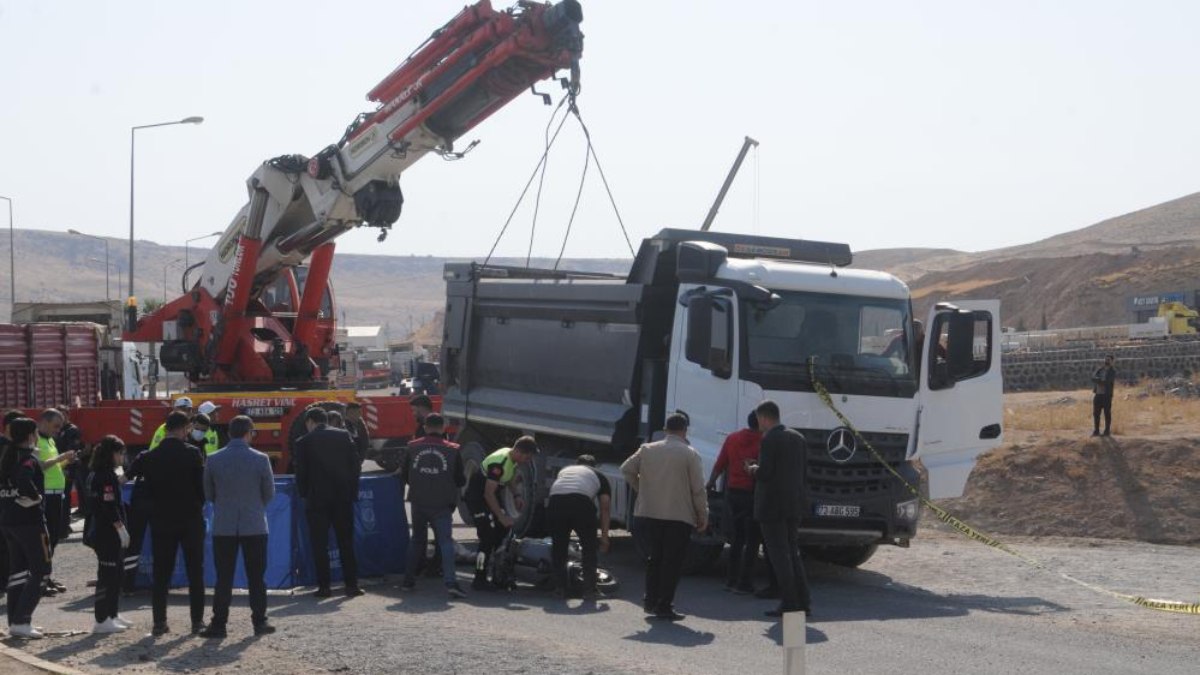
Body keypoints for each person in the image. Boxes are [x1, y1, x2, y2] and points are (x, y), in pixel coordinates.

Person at [620, 413, 707, 622]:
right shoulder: (690, 454)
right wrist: (702, 514)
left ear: (666, 429)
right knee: (672, 562)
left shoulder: (648, 449)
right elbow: (698, 489)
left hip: (649, 513)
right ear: (684, 430)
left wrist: (642, 489)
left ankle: (650, 600)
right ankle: (664, 605)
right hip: (679, 516)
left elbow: (626, 469)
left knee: (654, 558)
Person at [201, 416, 276, 638]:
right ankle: (259, 621)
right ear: (249, 433)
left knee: (223, 577)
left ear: (229, 433)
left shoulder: (213, 460)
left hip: (224, 525)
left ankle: (219, 624)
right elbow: (269, 493)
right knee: (256, 576)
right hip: (254, 525)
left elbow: (209, 493)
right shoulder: (261, 459)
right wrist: (254, 506)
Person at [139, 410, 207, 635]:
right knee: (195, 571)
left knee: (161, 573)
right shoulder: (193, 454)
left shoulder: (149, 457)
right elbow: (202, 489)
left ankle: (159, 622)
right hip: (190, 519)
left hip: (161, 520)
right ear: (184, 428)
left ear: (166, 429)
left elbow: (143, 488)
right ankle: (197, 621)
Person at [747, 400, 812, 619]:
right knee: (793, 552)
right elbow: (803, 472)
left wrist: (753, 469)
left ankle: (790, 602)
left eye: (759, 420)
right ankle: (804, 601)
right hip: (794, 503)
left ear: (764, 418)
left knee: (778, 555)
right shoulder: (798, 438)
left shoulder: (769, 439)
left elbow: (765, 473)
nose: (759, 424)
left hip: (771, 505)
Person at [293, 407, 363, 599]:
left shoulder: (303, 442)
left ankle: (324, 587)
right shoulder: (343, 436)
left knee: (319, 545)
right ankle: (352, 585)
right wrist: (352, 492)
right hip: (343, 498)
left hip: (317, 500)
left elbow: (302, 474)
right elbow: (355, 465)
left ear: (310, 422)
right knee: (346, 542)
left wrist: (304, 494)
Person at [398, 413, 467, 598]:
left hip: (418, 501)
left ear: (426, 427)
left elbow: (404, 475)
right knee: (445, 542)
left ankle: (407, 581)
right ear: (443, 427)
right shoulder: (453, 449)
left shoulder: (412, 447)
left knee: (417, 541)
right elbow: (460, 479)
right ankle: (451, 582)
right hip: (442, 503)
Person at [463, 436, 538, 590]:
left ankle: (499, 575)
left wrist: (516, 495)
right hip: (478, 499)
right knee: (487, 538)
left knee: (502, 533)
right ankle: (479, 579)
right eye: (527, 457)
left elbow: (509, 477)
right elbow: (488, 493)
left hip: (490, 496)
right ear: (518, 451)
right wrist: (501, 516)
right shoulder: (499, 462)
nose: (527, 460)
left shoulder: (512, 458)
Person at [0, 417, 52, 638]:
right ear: (31, 436)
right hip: (30, 523)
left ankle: (15, 621)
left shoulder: (6, 458)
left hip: (8, 522)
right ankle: (22, 620)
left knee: (18, 572)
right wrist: (36, 497)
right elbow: (24, 480)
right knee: (42, 570)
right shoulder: (28, 459)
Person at [706, 411, 764, 593]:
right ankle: (745, 582)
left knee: (737, 538)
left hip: (734, 492)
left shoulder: (732, 438)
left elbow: (721, 463)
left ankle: (731, 580)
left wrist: (710, 482)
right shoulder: (765, 441)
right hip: (753, 493)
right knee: (753, 539)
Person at [85, 435, 131, 634]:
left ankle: (112, 614)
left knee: (117, 574)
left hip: (108, 531)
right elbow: (109, 506)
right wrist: (120, 528)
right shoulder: (105, 476)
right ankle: (102, 619)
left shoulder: (101, 473)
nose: (123, 457)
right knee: (107, 575)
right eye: (121, 453)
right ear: (112, 453)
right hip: (106, 532)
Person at [548, 455, 611, 601]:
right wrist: (604, 537)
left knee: (559, 547)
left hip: (555, 504)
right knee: (589, 547)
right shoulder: (599, 475)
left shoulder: (565, 471)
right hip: (581, 504)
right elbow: (605, 508)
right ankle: (589, 590)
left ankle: (560, 589)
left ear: (576, 464)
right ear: (594, 466)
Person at [36, 409, 74, 596]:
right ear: (44, 422)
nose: (58, 430)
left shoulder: (50, 440)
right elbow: (40, 466)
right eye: (56, 426)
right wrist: (60, 457)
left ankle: (46, 576)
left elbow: (54, 466)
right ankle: (41, 579)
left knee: (55, 538)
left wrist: (66, 461)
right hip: (47, 495)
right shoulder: (35, 440)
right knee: (46, 540)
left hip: (57, 494)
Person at [55, 406, 85, 524]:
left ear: (68, 416)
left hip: (68, 467)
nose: (60, 418)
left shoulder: (71, 430)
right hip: (58, 466)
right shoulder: (58, 430)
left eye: (63, 415)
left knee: (65, 495)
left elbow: (72, 451)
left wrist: (65, 466)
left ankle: (65, 523)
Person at [1092, 355, 1117, 437]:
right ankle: (1096, 430)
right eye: (1105, 359)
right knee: (1096, 413)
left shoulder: (1112, 371)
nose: (1106, 361)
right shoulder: (1100, 369)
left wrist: (1099, 380)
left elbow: (1107, 382)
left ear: (1112, 361)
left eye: (1108, 360)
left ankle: (1107, 431)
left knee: (1107, 413)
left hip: (1107, 395)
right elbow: (1093, 378)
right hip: (1098, 394)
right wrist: (1099, 380)